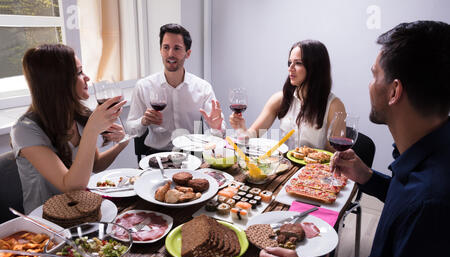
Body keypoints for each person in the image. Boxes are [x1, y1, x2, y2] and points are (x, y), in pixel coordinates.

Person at [256, 20, 450, 257]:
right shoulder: (426, 157)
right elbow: (406, 196)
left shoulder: (432, 203)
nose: (369, 85)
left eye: (374, 75)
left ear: (394, 91)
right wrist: (368, 178)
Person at [10, 44, 129, 214]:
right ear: (58, 81)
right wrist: (91, 131)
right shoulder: (24, 130)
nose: (87, 78)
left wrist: (123, 143)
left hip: (81, 210)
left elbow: (95, 164)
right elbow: (71, 186)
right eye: (79, 72)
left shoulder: (78, 115)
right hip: (45, 221)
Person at [228, 39, 346, 151]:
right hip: (285, 168)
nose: (290, 68)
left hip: (315, 170)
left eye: (298, 63)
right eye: (289, 63)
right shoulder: (280, 99)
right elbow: (253, 135)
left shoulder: (334, 106)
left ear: (315, 67)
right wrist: (241, 129)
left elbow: (332, 156)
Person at [126, 23, 225, 153]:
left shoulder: (203, 88)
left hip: (192, 155)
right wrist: (143, 121)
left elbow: (221, 133)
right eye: (166, 47)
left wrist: (216, 128)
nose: (170, 54)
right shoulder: (144, 86)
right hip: (157, 155)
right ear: (160, 50)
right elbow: (129, 129)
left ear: (187, 53)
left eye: (177, 48)